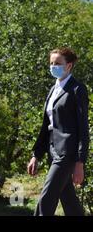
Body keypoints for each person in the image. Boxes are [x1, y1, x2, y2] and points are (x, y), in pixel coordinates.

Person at [28, 47, 90, 216]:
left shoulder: (77, 90)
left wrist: (80, 162)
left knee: (47, 197)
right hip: (52, 150)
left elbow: (83, 129)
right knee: (68, 199)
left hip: (67, 153)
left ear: (69, 66)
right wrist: (36, 154)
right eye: (51, 63)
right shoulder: (53, 90)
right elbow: (47, 126)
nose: (53, 66)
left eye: (58, 63)